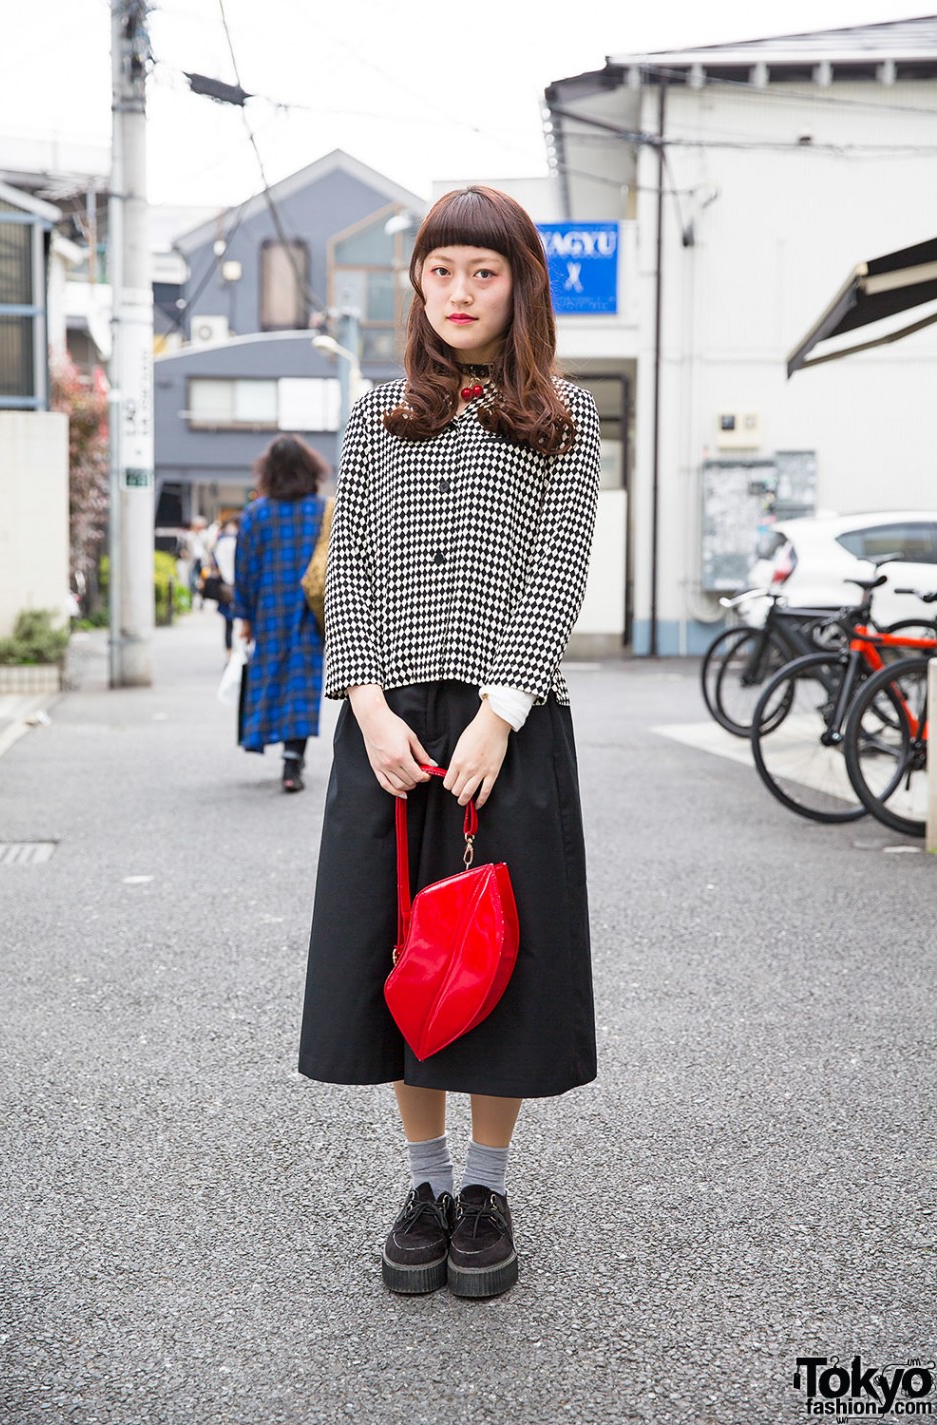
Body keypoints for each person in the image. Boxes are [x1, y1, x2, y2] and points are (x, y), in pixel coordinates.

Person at [298, 186, 601, 1298]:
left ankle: (485, 1183)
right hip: (388, 728)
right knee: (402, 960)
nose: (459, 293)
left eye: (483, 272)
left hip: (506, 724)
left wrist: (499, 709)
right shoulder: (376, 412)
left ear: (518, 282)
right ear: (415, 286)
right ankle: (420, 1179)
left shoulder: (564, 413)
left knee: (495, 963)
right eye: (439, 272)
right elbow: (355, 569)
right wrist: (368, 708)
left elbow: (554, 569)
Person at [232, 436, 329, 793]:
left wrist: (243, 618)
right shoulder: (322, 510)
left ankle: (274, 742)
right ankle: (293, 758)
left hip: (269, 610)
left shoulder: (256, 514)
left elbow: (245, 570)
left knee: (271, 676)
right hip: (308, 612)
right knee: (302, 682)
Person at [210, 518, 239, 653]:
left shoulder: (220, 543)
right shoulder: (240, 541)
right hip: (238, 587)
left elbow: (214, 565)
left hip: (225, 587)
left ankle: (229, 652)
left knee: (228, 623)